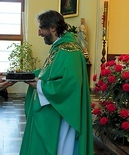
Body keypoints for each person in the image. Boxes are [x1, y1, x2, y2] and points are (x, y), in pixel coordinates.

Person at [20, 10, 93, 155]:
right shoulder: (60, 47)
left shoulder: (69, 51)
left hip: (63, 114)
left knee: (61, 149)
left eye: (41, 28)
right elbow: (50, 71)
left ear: (53, 28)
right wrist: (27, 75)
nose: (39, 33)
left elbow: (70, 85)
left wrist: (38, 85)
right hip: (56, 110)